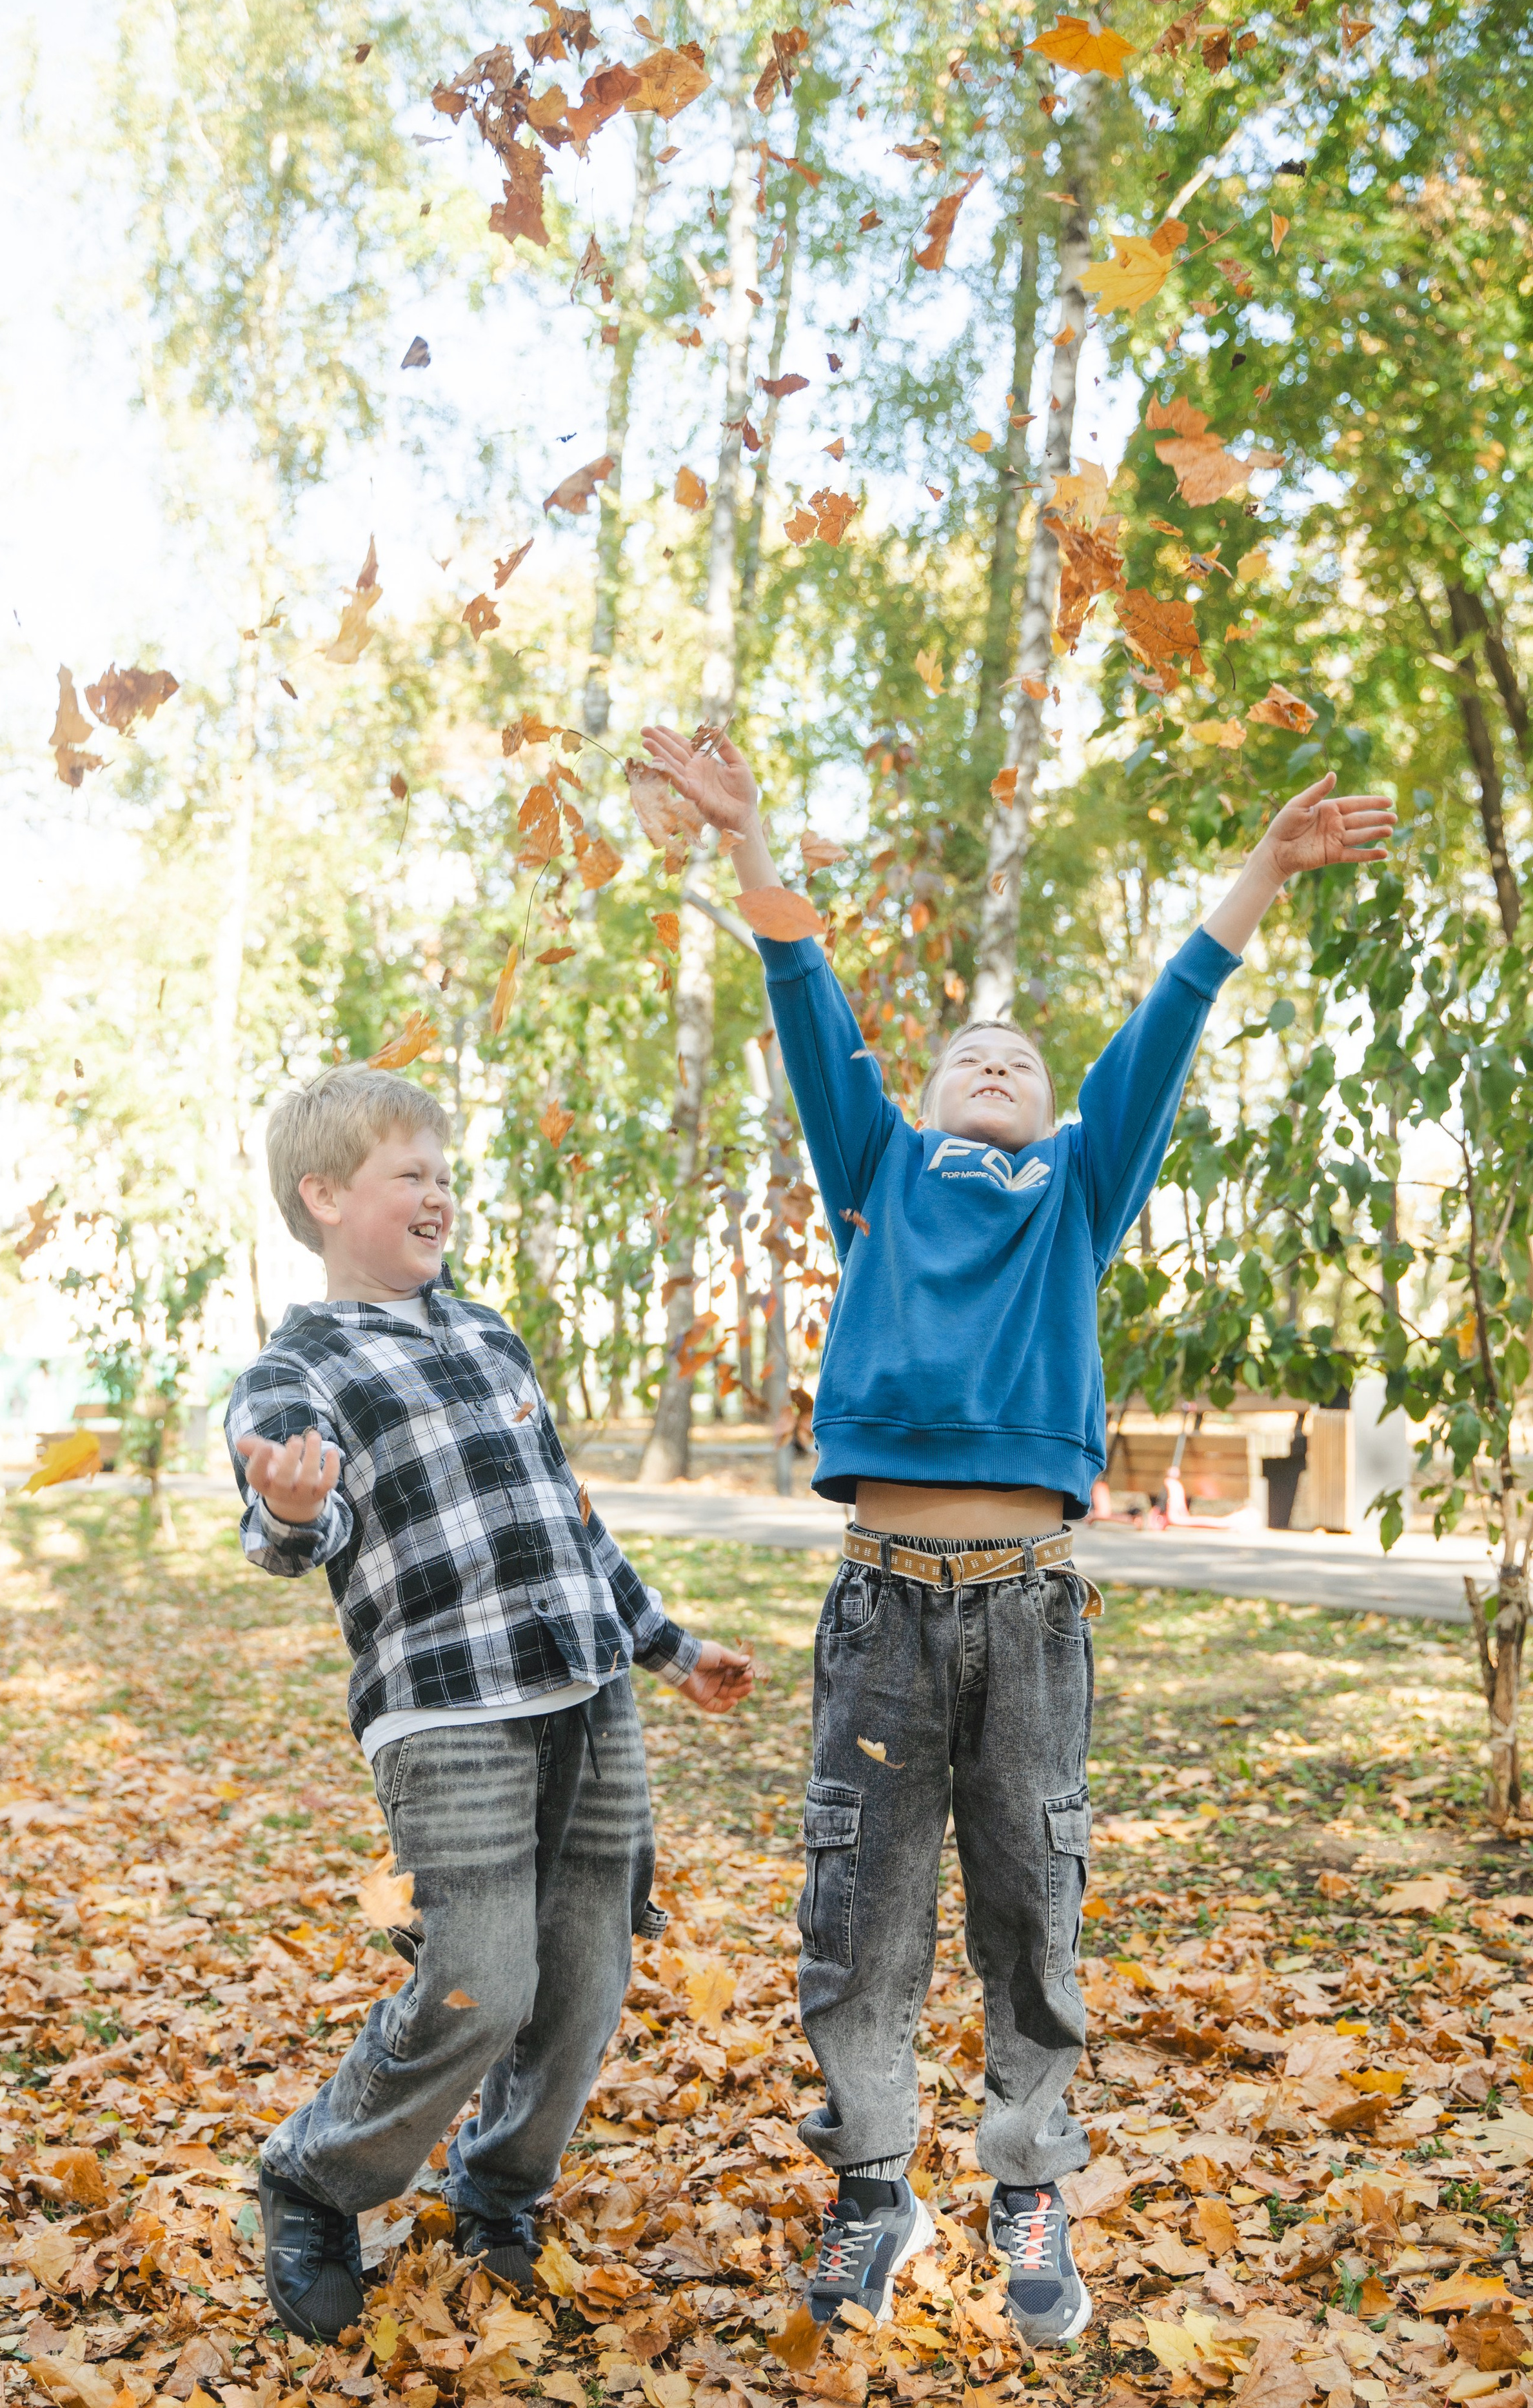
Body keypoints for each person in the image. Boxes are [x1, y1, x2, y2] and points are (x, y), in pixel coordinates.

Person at [638, 722, 1392, 2345]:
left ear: (1046, 1115)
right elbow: (807, 1016)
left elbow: (1160, 1031)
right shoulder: (882, 1173)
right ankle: (869, 2190)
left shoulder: (1070, 1189)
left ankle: (1027, 2176)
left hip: (1031, 1617)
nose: (992, 1054)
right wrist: (752, 834)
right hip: (881, 1614)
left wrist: (1260, 869)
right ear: (915, 1106)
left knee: (1030, 1913)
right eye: (963, 1049)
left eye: (1016, 1054)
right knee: (854, 1920)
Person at [225, 1066, 755, 2342]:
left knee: (582, 1975)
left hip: (584, 1690)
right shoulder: (297, 1367)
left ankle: (499, 2187)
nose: (438, 1192)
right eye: (408, 1173)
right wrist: (291, 1508)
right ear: (325, 1194)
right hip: (447, 1709)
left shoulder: (488, 1332)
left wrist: (668, 1648)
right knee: (478, 1977)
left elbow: (567, 1518)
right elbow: (289, 1522)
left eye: (442, 1173)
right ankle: (316, 2175)